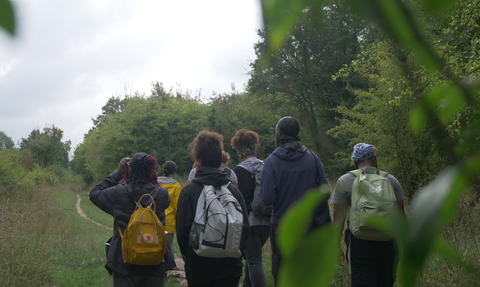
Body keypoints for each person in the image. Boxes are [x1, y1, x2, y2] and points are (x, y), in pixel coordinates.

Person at [259, 116, 331, 284]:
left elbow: (267, 198)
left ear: (278, 134)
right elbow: (325, 192)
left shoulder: (270, 162)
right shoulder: (313, 158)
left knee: (283, 275)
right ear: (297, 133)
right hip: (309, 226)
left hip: (281, 227)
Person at [176, 130, 250, 287]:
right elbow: (245, 228)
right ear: (220, 162)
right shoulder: (233, 190)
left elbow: (182, 233)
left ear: (198, 162)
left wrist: (189, 258)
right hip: (231, 268)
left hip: (199, 267)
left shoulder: (189, 191)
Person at [89, 153, 173, 287]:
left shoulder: (118, 192)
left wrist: (117, 173)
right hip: (155, 260)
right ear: (152, 170)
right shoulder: (162, 193)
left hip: (125, 262)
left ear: (129, 169)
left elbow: (94, 194)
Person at [331, 143, 404, 287]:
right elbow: (400, 217)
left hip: (359, 241)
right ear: (374, 159)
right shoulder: (391, 180)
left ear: (355, 161)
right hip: (387, 241)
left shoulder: (344, 181)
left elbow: (338, 217)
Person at [231, 129, 270, 287]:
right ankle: (246, 284)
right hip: (267, 220)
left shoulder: (238, 171)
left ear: (239, 150)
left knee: (253, 260)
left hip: (249, 222)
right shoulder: (266, 166)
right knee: (253, 256)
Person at [157, 160, 182, 271]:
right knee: (169, 244)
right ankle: (170, 266)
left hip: (155, 218)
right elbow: (178, 206)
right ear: (174, 172)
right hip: (169, 220)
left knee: (156, 242)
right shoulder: (176, 186)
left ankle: (155, 262)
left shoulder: (155, 183)